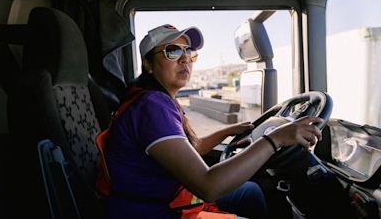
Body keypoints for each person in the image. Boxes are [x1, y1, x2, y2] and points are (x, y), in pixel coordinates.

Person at [104, 24, 322, 218]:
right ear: (148, 65)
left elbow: (190, 150)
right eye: (172, 51)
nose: (184, 59)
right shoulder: (152, 106)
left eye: (188, 52)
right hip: (154, 211)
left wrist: (227, 131)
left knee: (252, 192)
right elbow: (208, 186)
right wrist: (273, 140)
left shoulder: (157, 100)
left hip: (163, 199)